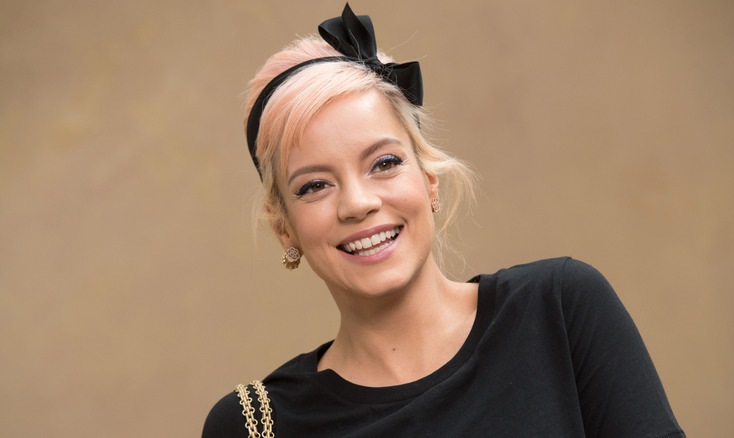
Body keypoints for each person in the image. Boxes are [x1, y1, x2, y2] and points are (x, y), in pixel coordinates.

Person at [202, 4, 686, 437]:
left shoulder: (560, 309)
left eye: (384, 163)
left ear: (429, 181)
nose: (358, 203)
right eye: (314, 186)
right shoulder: (253, 425)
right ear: (284, 228)